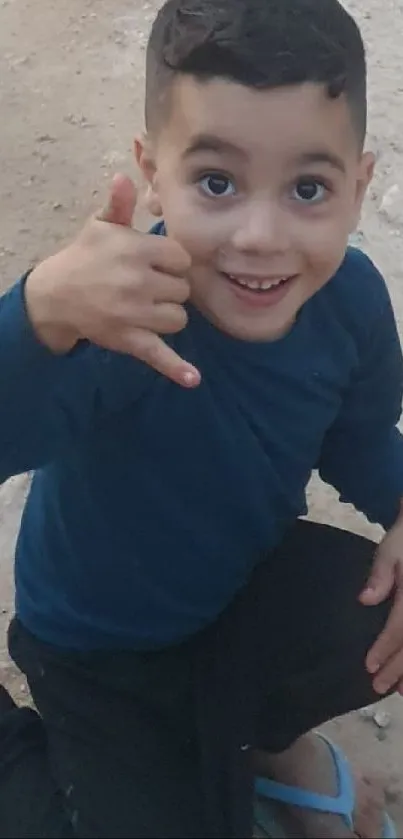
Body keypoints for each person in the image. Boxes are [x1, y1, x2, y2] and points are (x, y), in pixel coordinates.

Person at [0, 0, 401, 835]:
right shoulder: (118, 321)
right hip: (97, 654)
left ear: (358, 187)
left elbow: (358, 438)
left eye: (307, 188)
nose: (259, 236)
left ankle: (260, 740)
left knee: (390, 602)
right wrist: (42, 315)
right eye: (215, 182)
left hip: (236, 591)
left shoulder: (351, 302)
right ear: (154, 170)